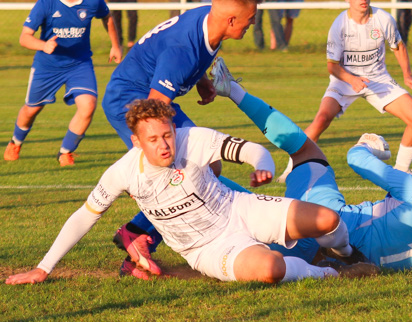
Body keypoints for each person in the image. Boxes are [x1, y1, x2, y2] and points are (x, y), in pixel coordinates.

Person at [5, 99, 377, 284]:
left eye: (167, 134)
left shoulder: (190, 139)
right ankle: (332, 274)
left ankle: (343, 252)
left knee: (328, 220)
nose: (165, 145)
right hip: (206, 248)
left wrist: (261, 163)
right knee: (269, 269)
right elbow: (83, 217)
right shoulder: (123, 172)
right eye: (154, 139)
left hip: (238, 208)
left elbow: (246, 149)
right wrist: (42, 267)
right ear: (136, 142)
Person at [209, 57, 412, 271]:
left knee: (305, 150)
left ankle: (232, 90)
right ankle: (194, 178)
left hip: (324, 222)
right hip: (310, 257)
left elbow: (355, 159)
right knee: (242, 209)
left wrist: (370, 146)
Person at [100, 0, 262, 276]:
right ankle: (137, 235)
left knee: (207, 166)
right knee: (180, 171)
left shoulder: (210, 22)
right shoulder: (182, 50)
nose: (253, 23)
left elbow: (195, 58)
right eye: (250, 19)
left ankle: (136, 239)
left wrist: (202, 83)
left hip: (152, 95)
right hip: (133, 99)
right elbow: (153, 109)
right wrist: (146, 163)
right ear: (230, 19)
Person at [4, 0, 122, 166]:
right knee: (32, 109)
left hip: (80, 63)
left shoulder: (93, 0)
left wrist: (115, 44)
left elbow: (107, 16)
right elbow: (24, 37)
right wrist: (43, 45)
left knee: (88, 106)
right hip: (48, 65)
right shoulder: (46, 2)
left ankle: (65, 152)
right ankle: (15, 141)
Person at [304, 0, 412, 175]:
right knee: (321, 119)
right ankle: (292, 169)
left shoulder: (383, 19)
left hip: (378, 79)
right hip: (345, 80)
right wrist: (352, 79)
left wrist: (407, 75)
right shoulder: (339, 25)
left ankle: (402, 171)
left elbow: (398, 46)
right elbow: (332, 67)